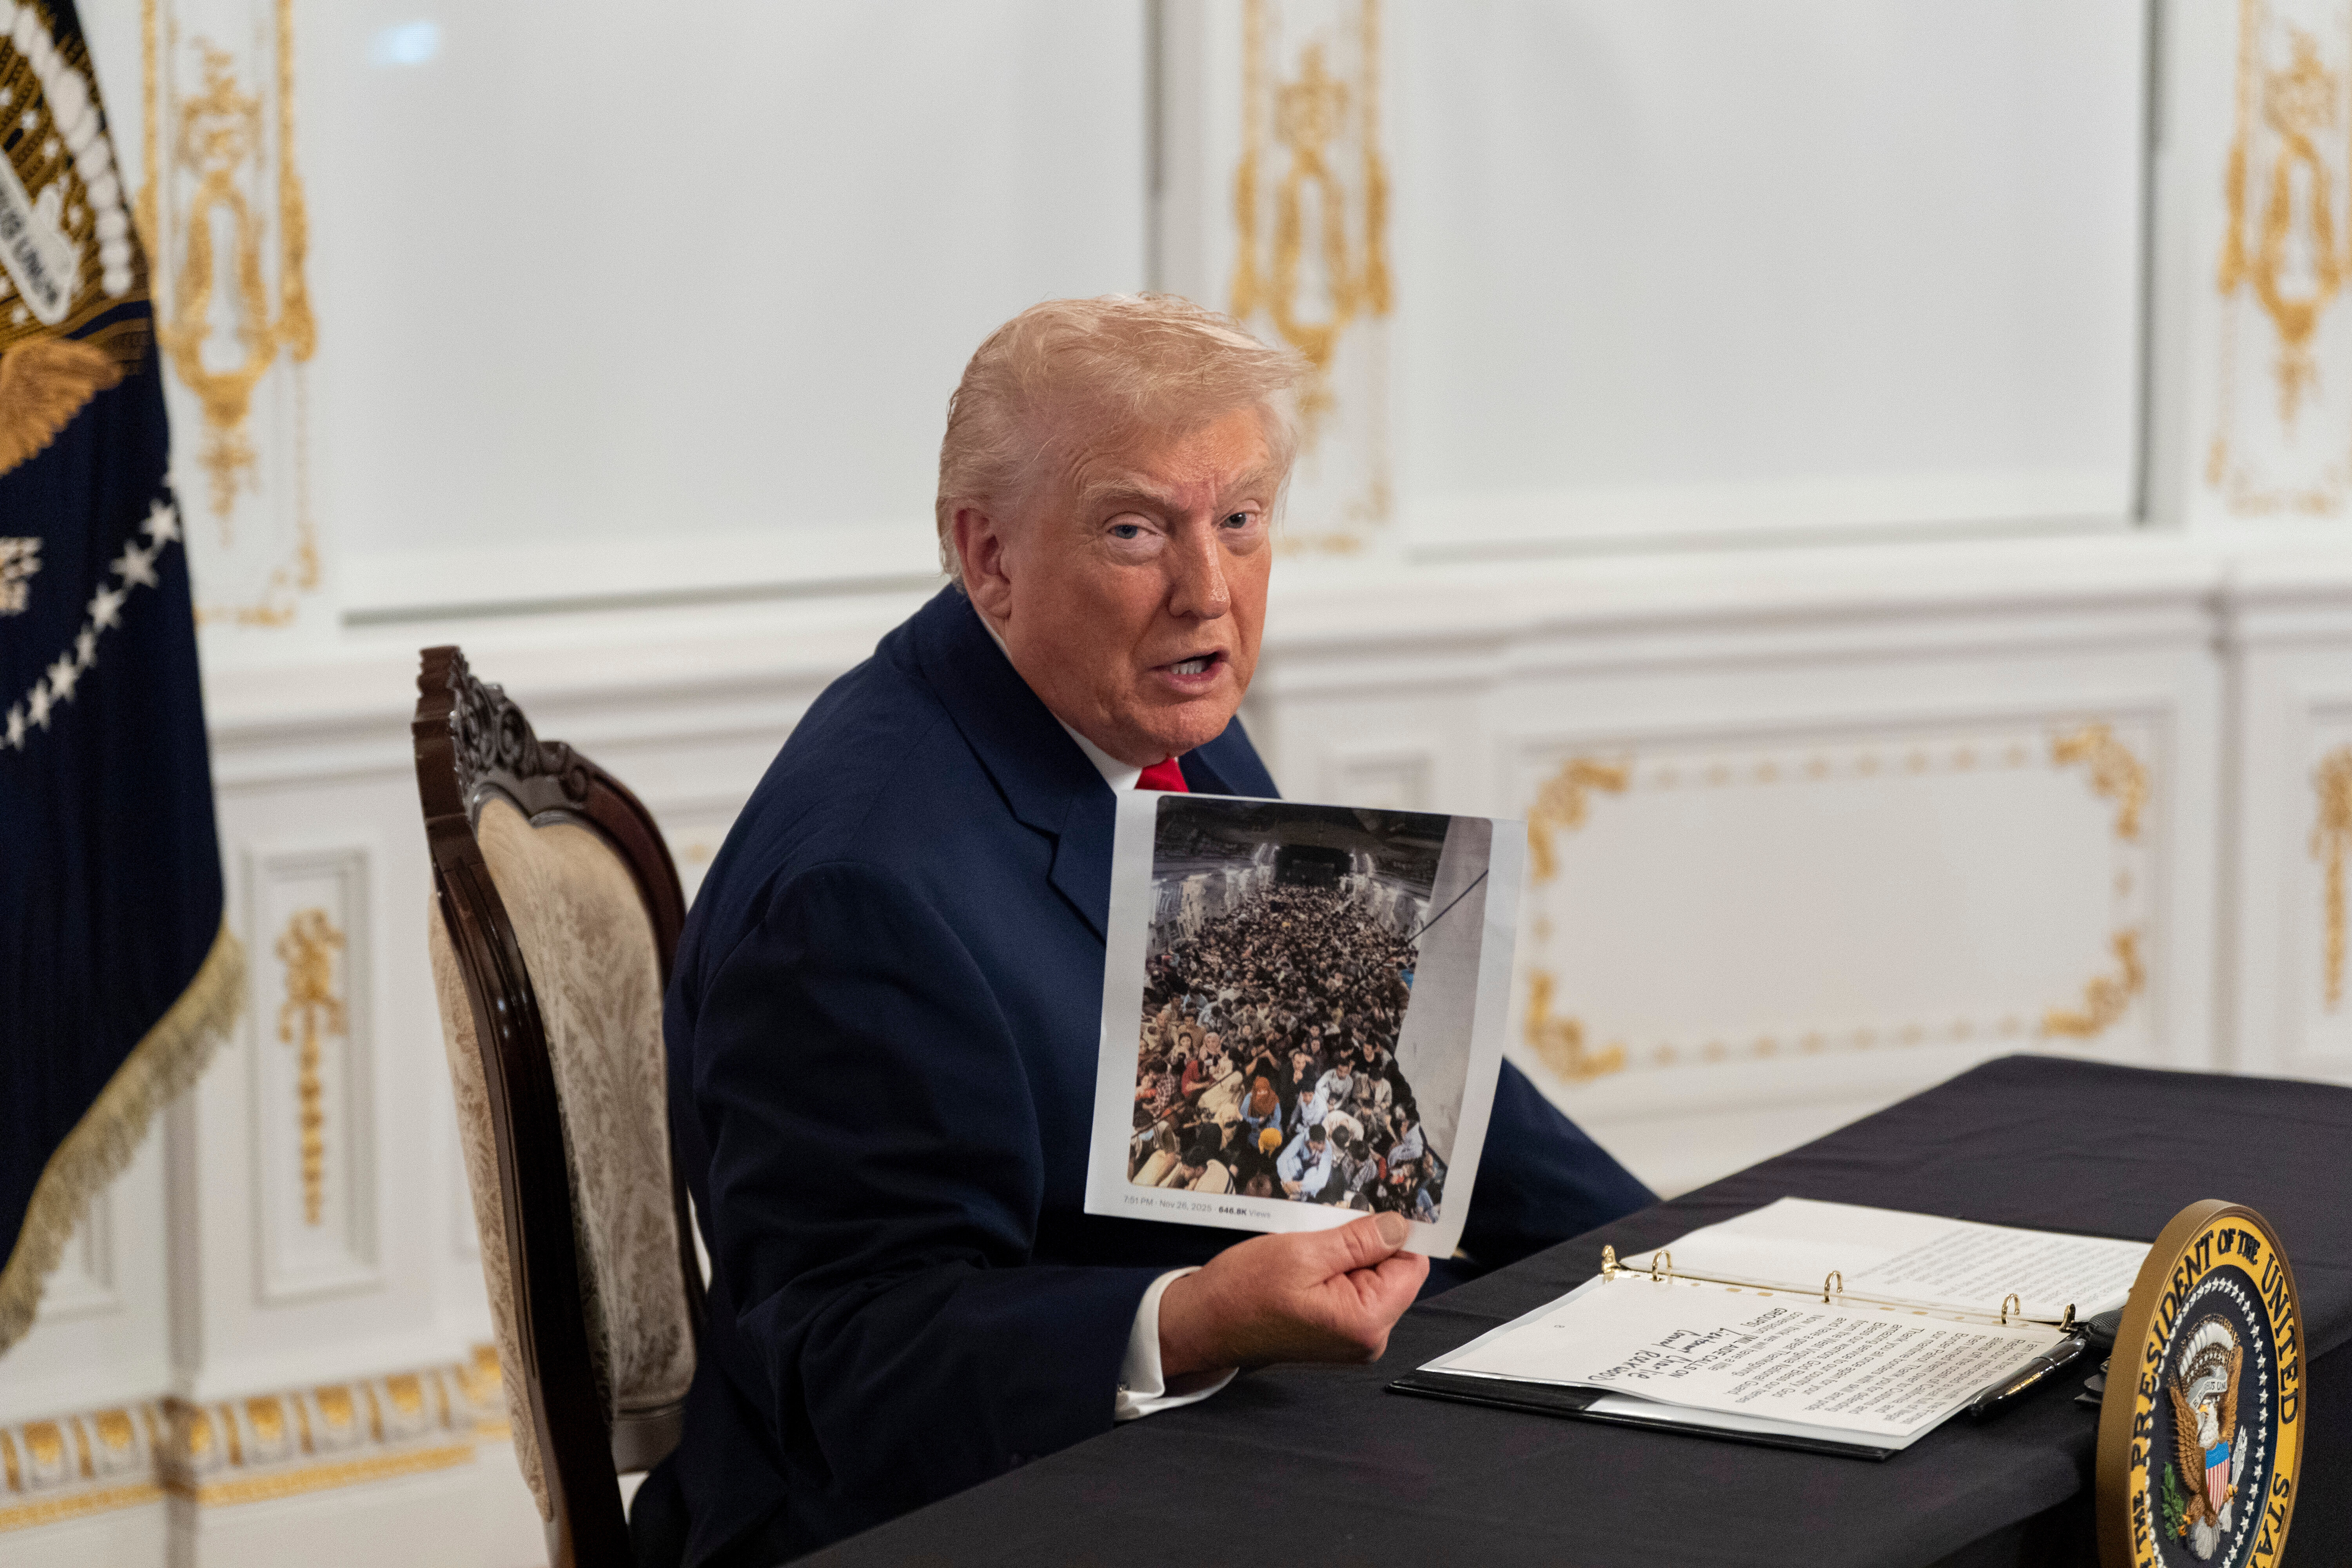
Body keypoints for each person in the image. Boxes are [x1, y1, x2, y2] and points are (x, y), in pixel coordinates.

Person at [656, 296, 1653, 1564]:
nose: (1208, 590)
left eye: (1239, 521)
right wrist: (1184, 1319)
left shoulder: (1148, 703)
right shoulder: (860, 892)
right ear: (991, 556)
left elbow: (1387, 1083)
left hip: (1218, 1444)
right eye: (1137, 530)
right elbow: (852, 1370)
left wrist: (1677, 1265)